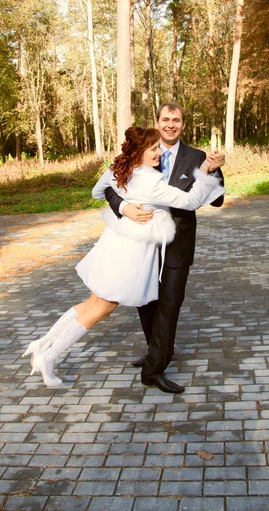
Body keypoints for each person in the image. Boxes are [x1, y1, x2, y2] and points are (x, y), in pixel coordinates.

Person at [22, 126, 224, 388]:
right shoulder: (151, 182)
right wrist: (205, 172)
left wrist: (124, 205)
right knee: (100, 309)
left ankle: (42, 343)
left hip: (115, 242)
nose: (158, 152)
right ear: (139, 151)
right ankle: (49, 358)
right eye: (153, 148)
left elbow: (98, 191)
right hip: (130, 253)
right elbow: (191, 202)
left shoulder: (123, 169)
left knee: (92, 302)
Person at [105, 102, 225, 394]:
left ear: (183, 124)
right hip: (142, 243)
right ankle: (157, 353)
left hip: (178, 244)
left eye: (177, 120)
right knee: (145, 303)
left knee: (169, 305)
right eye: (166, 119)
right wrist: (124, 207)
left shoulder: (197, 157)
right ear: (157, 122)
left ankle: (154, 369)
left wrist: (215, 170)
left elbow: (218, 199)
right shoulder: (141, 151)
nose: (171, 124)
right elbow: (110, 188)